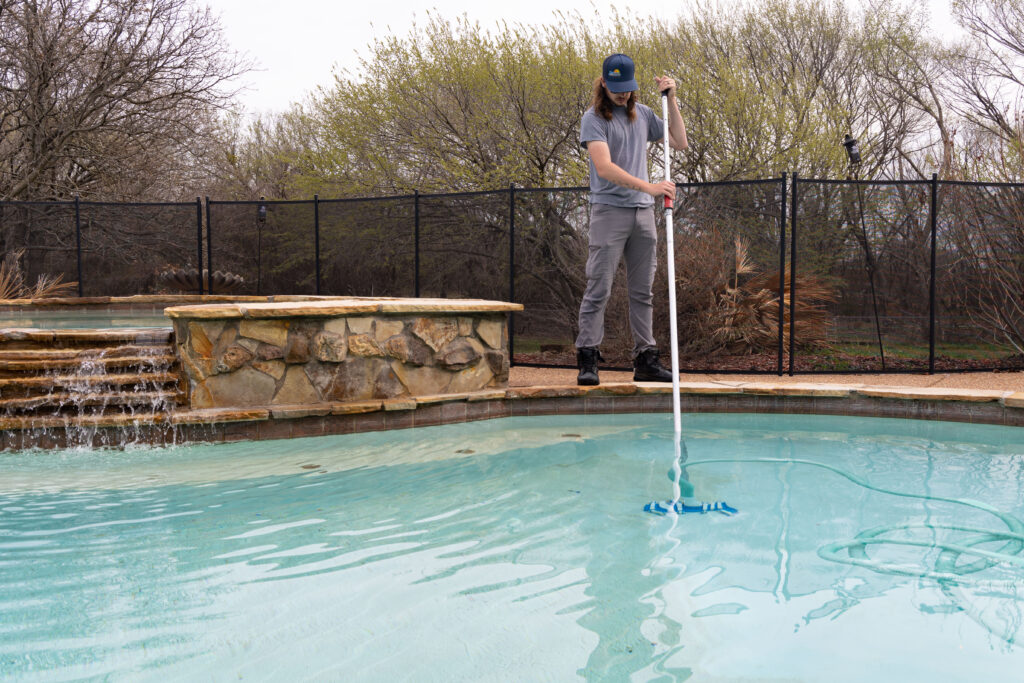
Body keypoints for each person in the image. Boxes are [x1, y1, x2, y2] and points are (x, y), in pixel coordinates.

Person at [576, 53, 688, 386]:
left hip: (642, 215)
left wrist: (673, 99)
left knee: (643, 292)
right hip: (609, 211)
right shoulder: (593, 119)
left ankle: (646, 359)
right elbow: (605, 168)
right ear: (603, 84)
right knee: (599, 287)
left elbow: (679, 142)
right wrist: (650, 187)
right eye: (616, 88)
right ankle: (587, 358)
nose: (622, 94)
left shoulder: (644, 115)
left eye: (627, 88)